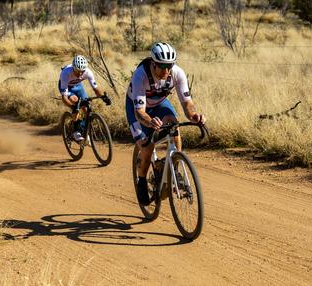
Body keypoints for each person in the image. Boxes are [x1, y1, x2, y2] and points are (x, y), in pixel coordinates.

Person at [126, 42, 205, 205]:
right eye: (162, 66)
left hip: (159, 104)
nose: (166, 71)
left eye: (169, 66)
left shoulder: (177, 73)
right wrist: (150, 121)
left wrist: (193, 115)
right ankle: (141, 180)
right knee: (147, 148)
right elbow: (140, 112)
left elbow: (187, 102)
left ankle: (174, 166)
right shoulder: (141, 75)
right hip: (137, 109)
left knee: (173, 124)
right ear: (153, 63)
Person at [59, 55, 111, 141]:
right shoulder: (65, 73)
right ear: (73, 68)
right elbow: (64, 97)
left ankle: (84, 131)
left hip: (78, 86)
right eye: (77, 71)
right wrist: (73, 107)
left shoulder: (88, 72)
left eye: (82, 71)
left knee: (86, 107)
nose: (80, 74)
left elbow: (96, 88)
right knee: (75, 101)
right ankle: (76, 131)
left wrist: (103, 98)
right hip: (67, 87)